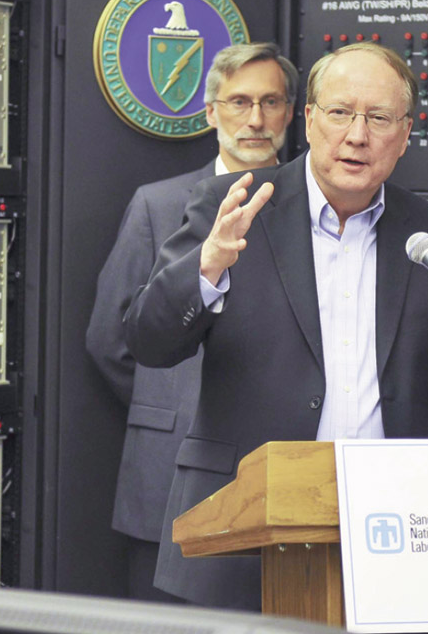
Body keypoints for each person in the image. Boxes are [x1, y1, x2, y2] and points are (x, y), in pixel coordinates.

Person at [123, 41, 428, 609]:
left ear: (406, 134)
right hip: (245, 523)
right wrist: (206, 269)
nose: (357, 135)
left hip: (385, 530)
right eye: (340, 113)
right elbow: (149, 341)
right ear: (309, 120)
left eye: (379, 118)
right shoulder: (231, 205)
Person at [86, 42, 297, 600]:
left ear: (292, 113)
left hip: (286, 471)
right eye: (239, 102)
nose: (256, 119)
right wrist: (177, 398)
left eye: (271, 102)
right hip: (168, 463)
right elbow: (112, 336)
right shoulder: (157, 204)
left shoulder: (319, 206)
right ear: (210, 113)